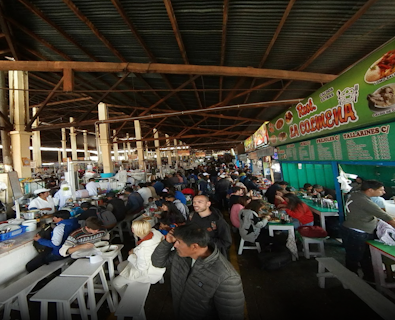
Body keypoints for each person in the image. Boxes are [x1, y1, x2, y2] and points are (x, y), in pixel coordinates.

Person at [151, 223, 245, 320]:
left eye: (178, 242)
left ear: (194, 246)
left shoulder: (227, 277)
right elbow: (158, 262)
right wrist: (167, 242)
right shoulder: (181, 256)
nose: (175, 245)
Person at [341, 179, 395, 282]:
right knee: (354, 257)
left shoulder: (356, 194)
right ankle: (350, 281)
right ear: (370, 190)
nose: (383, 192)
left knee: (364, 256)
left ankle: (369, 278)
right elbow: (385, 216)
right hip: (357, 232)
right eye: (381, 190)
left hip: (352, 229)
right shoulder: (363, 201)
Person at [112, 220, 166, 297]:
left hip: (149, 273)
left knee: (115, 282)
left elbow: (142, 267)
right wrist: (135, 251)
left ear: (134, 231)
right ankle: (130, 284)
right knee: (120, 266)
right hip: (158, 267)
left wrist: (131, 255)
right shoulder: (155, 233)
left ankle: (127, 299)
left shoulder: (142, 249)